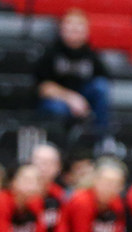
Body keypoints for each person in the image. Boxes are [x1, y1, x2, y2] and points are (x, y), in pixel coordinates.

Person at [34, 8, 111, 136]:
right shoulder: (51, 53)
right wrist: (71, 98)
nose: (74, 30)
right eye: (70, 26)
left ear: (86, 31)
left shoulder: (92, 55)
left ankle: (101, 139)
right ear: (62, 29)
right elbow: (42, 87)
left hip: (83, 98)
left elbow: (104, 82)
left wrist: (84, 104)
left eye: (78, 27)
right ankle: (58, 143)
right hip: (58, 99)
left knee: (101, 87)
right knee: (57, 108)